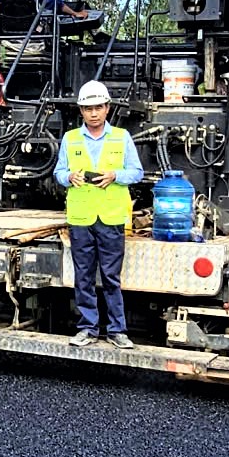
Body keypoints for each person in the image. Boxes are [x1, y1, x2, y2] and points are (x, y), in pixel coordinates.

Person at [55, 79, 143, 348]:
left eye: (98, 107)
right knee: (83, 276)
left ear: (107, 108)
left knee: (111, 277)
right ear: (81, 111)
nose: (93, 113)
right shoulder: (70, 139)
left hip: (111, 218)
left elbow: (137, 172)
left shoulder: (121, 137)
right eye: (87, 108)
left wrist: (115, 175)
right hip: (81, 219)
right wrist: (70, 176)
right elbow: (58, 173)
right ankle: (88, 329)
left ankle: (117, 330)